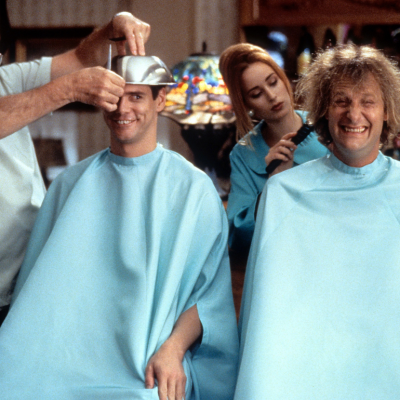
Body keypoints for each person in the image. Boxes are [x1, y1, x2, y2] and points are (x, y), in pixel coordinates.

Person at [0, 55, 239, 400]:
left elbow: (208, 297)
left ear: (160, 100)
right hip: (65, 357)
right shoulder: (70, 184)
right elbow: (37, 296)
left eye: (137, 96)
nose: (122, 108)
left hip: (146, 361)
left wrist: (172, 349)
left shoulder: (193, 189)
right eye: (113, 97)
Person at [235, 44, 400, 399]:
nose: (354, 114)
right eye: (341, 101)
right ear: (323, 109)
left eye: (367, 101)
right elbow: (264, 319)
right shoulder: (282, 194)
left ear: (387, 111)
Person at [0, 11, 150, 325]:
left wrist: (114, 27)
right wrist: (66, 89)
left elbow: (82, 57)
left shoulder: (7, 79)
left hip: (26, 286)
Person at [219, 43, 329, 255]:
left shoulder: (329, 126)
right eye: (256, 93)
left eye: (273, 82)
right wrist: (274, 185)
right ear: (246, 104)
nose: (271, 96)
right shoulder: (244, 155)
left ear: (284, 78)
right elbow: (238, 238)